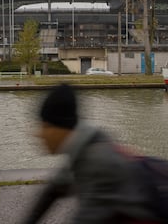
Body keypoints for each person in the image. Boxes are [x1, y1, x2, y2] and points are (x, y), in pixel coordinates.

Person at [23, 83, 159, 223]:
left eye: (45, 126)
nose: (38, 134)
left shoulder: (98, 163)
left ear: (60, 129)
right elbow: (53, 190)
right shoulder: (82, 146)